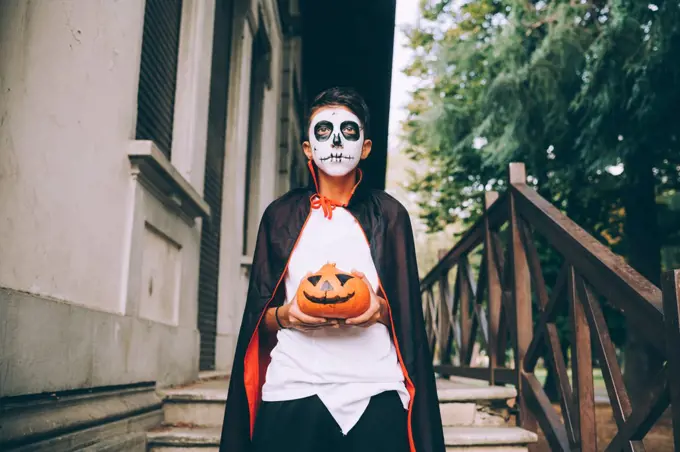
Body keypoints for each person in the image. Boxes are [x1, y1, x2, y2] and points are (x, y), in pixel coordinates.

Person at [219, 87, 445, 452]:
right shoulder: (279, 217)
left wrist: (379, 310)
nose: (337, 141)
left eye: (349, 132)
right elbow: (259, 318)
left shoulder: (389, 216)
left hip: (374, 388)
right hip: (293, 385)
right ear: (308, 147)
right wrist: (287, 316)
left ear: (366, 147)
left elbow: (407, 319)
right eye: (324, 131)